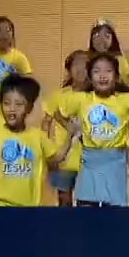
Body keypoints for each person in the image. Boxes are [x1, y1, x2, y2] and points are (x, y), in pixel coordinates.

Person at [0, 75, 74, 207]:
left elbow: (57, 158)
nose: (12, 109)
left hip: (29, 209)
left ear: (29, 108)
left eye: (18, 104)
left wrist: (70, 135)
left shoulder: (38, 136)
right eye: (6, 103)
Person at [61, 51, 129, 206]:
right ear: (90, 76)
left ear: (116, 76)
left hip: (115, 165)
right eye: (97, 71)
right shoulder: (81, 99)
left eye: (108, 71)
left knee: (114, 215)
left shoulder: (127, 99)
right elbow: (59, 112)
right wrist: (74, 131)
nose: (102, 75)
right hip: (89, 165)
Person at [44, 50, 93, 205]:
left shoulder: (95, 96)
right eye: (76, 64)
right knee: (64, 201)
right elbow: (46, 122)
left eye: (85, 65)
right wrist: (47, 152)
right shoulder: (58, 95)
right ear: (69, 69)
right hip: (63, 160)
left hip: (89, 161)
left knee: (85, 203)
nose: (80, 69)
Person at [0, 16, 32, 101]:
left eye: (8, 30)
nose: (4, 34)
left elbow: (28, 87)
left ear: (13, 35)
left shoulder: (19, 58)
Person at [88, 20, 129, 85]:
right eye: (97, 35)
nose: (102, 39)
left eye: (107, 36)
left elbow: (127, 82)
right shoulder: (86, 60)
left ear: (113, 39)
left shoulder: (120, 60)